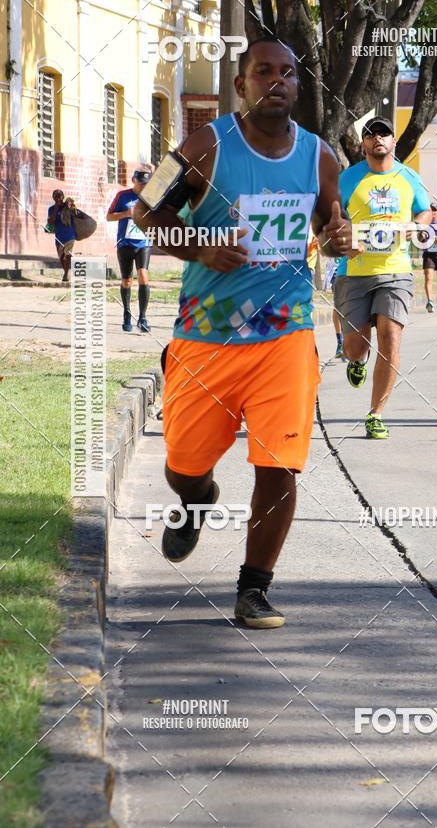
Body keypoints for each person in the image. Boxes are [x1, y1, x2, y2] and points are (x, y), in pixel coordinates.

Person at [133, 37, 352, 629]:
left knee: (278, 465)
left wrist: (337, 240)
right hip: (205, 338)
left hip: (285, 336)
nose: (275, 81)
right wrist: (200, 245)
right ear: (242, 85)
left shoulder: (319, 157)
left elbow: (332, 227)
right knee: (183, 463)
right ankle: (197, 497)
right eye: (263, 72)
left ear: (298, 87)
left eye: (287, 73)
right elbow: (144, 212)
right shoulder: (204, 145)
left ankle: (253, 589)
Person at [333, 116, 431, 440]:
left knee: (390, 338)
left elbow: (426, 210)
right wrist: (344, 240)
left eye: (384, 133)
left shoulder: (408, 177)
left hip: (396, 271)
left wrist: (417, 225)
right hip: (354, 273)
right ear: (363, 143)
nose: (378, 138)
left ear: (393, 141)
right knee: (355, 347)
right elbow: (332, 218)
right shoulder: (348, 179)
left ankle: (376, 414)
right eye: (371, 134)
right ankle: (356, 362)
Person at [107, 169, 153, 332]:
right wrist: (126, 214)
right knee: (127, 280)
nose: (143, 187)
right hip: (125, 244)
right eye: (141, 183)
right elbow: (109, 216)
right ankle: (127, 314)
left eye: (146, 184)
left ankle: (143, 318)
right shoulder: (123, 196)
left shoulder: (152, 197)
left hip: (144, 242)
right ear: (134, 180)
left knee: (143, 275)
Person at [46, 189, 76, 282]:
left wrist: (72, 206)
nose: (57, 198)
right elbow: (50, 221)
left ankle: (66, 274)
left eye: (59, 196)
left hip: (69, 235)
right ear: (53, 198)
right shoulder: (51, 209)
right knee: (61, 256)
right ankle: (66, 271)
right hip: (59, 236)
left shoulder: (67, 206)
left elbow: (74, 213)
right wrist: (55, 209)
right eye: (55, 196)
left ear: (63, 197)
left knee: (67, 255)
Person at [324, 258, 346, 359]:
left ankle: (347, 341)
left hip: (356, 272)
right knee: (338, 306)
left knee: (348, 307)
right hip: (338, 272)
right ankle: (340, 342)